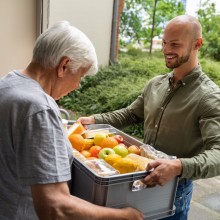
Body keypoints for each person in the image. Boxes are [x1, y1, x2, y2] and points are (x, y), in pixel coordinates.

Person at [78, 15, 220, 219]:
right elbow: (130, 113)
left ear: (197, 44)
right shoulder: (155, 84)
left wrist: (178, 166)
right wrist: (94, 119)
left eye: (174, 44)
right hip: (139, 180)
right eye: (164, 42)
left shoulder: (209, 97)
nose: (166, 49)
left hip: (174, 192)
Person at [0, 21, 144, 220]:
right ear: (64, 66)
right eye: (81, 75)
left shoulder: (7, 83)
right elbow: (54, 207)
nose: (78, 85)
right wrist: (123, 216)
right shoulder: (40, 108)